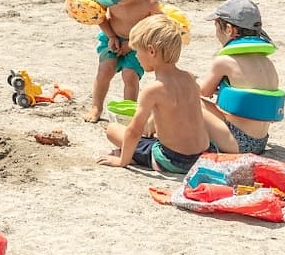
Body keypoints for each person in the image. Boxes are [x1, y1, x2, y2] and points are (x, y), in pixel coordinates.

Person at [100, 13, 237, 175]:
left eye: (137, 51)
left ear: (151, 51)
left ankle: (136, 158)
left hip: (174, 160)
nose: (136, 56)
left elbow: (134, 131)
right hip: (204, 155)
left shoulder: (153, 90)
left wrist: (122, 161)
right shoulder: (189, 78)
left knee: (113, 130)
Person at [200, 0, 282, 155]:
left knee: (186, 98)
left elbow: (203, 93)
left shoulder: (225, 61)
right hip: (260, 142)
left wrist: (188, 81)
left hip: (236, 141)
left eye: (217, 28)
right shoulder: (266, 62)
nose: (216, 34)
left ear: (229, 29)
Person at [84, 0, 159, 122]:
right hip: (111, 36)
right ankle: (96, 107)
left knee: (130, 76)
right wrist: (110, 35)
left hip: (139, 43)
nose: (110, 1)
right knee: (104, 71)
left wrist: (132, 45)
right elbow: (99, 16)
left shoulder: (149, 4)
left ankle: (128, 113)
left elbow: (156, 28)